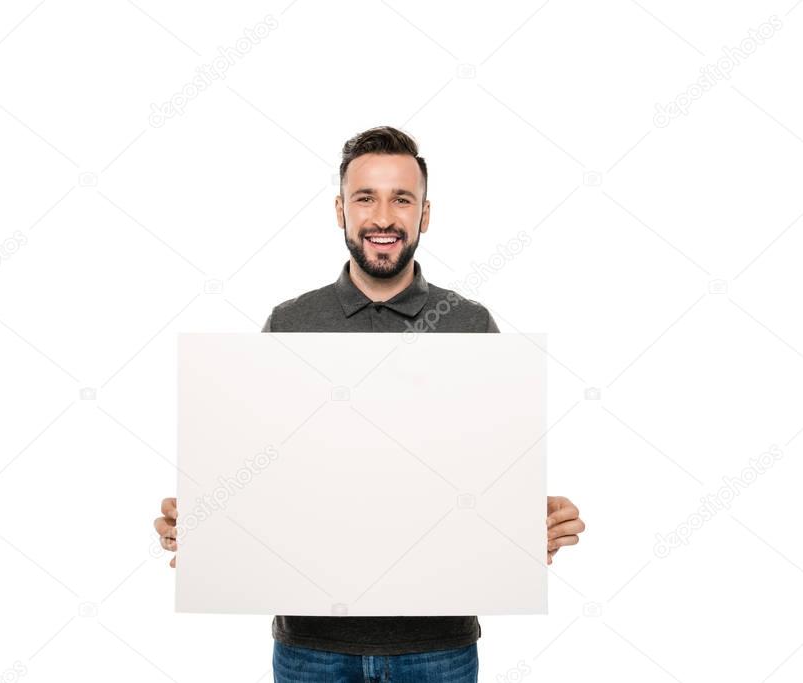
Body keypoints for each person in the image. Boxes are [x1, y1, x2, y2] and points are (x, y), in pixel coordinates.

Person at [153, 126, 585, 682]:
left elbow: (491, 471)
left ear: (425, 214)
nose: (384, 217)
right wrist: (210, 524)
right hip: (312, 645)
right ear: (340, 210)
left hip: (437, 646)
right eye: (366, 198)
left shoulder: (469, 326)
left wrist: (531, 524)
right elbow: (263, 467)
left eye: (401, 199)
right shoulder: (290, 324)